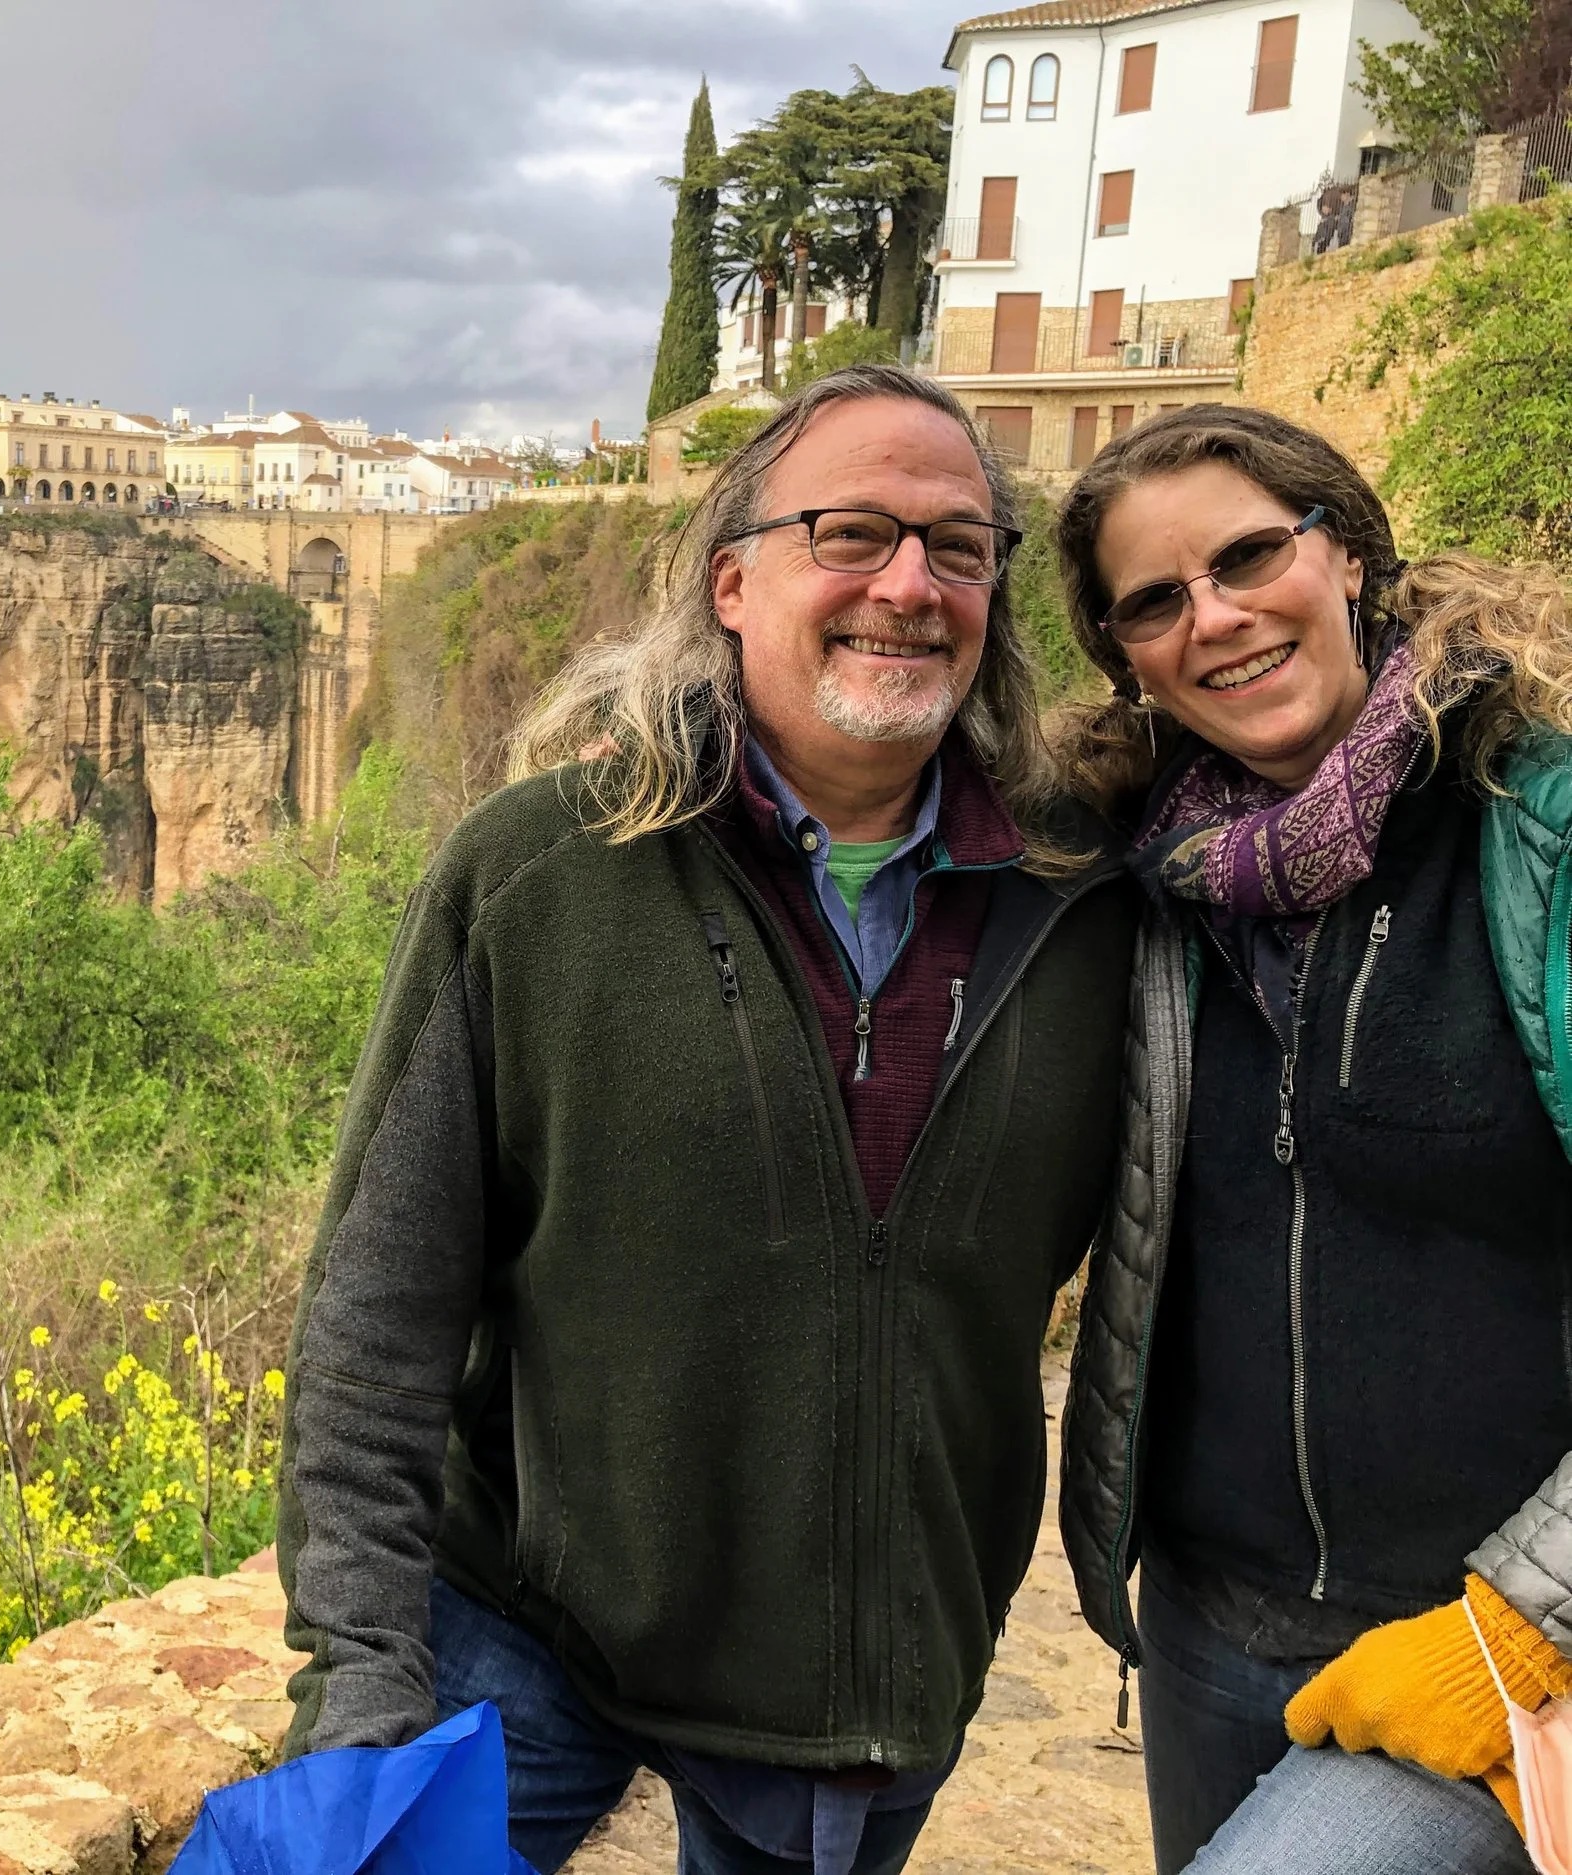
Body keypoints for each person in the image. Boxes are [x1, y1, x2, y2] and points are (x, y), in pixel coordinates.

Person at [274, 365, 1139, 1875]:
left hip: (850, 1687)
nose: (908, 585)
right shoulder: (539, 872)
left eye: (958, 545)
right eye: (853, 533)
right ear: (734, 583)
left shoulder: (1095, 906)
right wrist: (358, 1678)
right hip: (524, 1626)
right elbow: (378, 1310)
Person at [1054, 404, 1572, 1874]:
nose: (1214, 618)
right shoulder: (1142, 878)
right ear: (1127, 658)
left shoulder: (1535, 828)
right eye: (1155, 601)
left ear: (1342, 553)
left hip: (1492, 1638)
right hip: (1213, 1628)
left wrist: (1524, 1629)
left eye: (1250, 556)